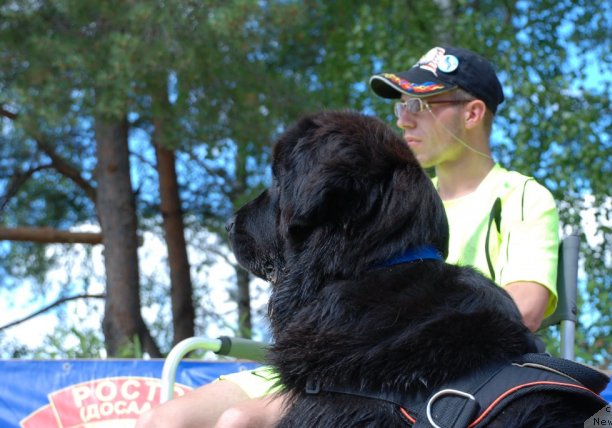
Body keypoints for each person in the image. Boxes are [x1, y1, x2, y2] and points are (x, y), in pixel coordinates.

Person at [136, 45, 559, 428]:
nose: (403, 117)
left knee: (238, 423)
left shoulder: (520, 197)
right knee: (165, 420)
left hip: (441, 374)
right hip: (340, 359)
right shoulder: (383, 195)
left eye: (422, 102)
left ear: (472, 113)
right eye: (401, 104)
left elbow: (526, 308)